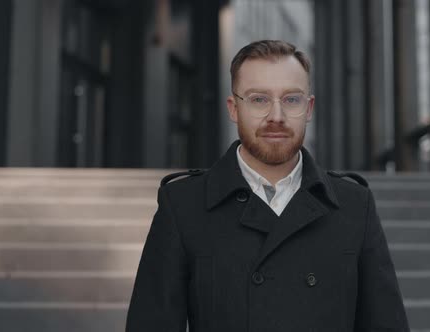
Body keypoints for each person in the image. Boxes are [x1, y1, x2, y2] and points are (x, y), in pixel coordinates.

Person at [126, 40, 409, 332]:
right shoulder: (184, 205)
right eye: (259, 99)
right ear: (234, 108)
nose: (277, 116)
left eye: (291, 99)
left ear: (309, 108)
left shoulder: (353, 205)